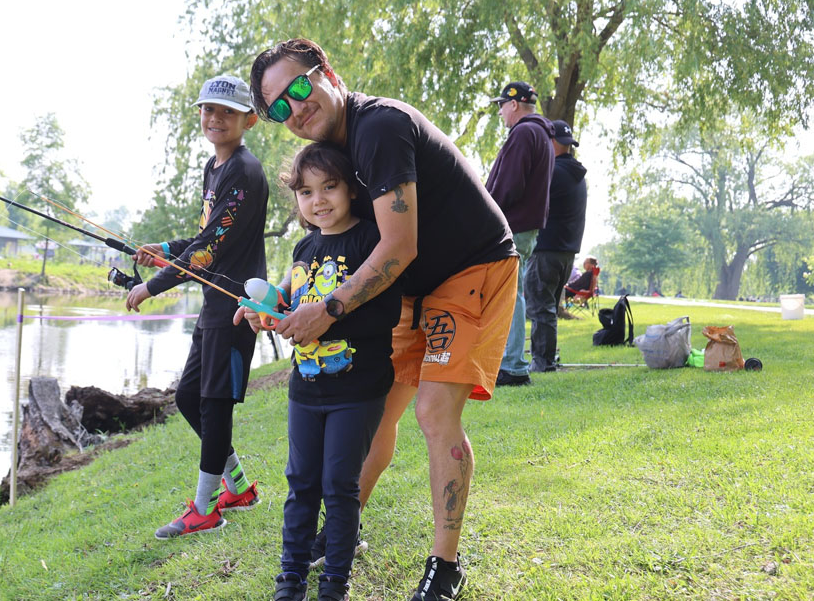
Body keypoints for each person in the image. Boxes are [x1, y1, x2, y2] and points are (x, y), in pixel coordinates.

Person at [251, 39, 518, 601]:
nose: (295, 109)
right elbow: (335, 245)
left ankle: (445, 566)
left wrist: (328, 310)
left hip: (471, 266)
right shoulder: (339, 151)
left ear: (328, 73)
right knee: (378, 408)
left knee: (432, 409)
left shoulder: (378, 128)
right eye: (278, 107)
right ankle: (344, 530)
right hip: (410, 287)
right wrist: (281, 297)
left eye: (299, 87)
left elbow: (396, 246)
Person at [241, 144, 401, 601]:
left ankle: (334, 583)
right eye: (306, 191)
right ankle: (289, 579)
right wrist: (265, 311)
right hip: (305, 389)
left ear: (351, 187)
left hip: (359, 388)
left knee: (339, 485)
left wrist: (325, 316)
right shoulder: (303, 246)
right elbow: (289, 302)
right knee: (301, 484)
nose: (318, 200)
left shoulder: (372, 239)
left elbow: (386, 313)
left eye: (329, 186)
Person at [126, 74, 270, 539]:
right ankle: (240, 487)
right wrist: (164, 247)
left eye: (226, 111)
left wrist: (153, 285)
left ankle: (206, 508)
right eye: (208, 110)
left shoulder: (245, 173)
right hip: (213, 305)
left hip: (234, 306)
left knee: (213, 403)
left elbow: (208, 251)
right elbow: (203, 238)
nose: (215, 118)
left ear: (248, 118)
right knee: (190, 397)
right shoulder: (216, 169)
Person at [485, 82, 554, 387]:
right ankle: (511, 362)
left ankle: (512, 365)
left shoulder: (524, 132)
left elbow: (509, 185)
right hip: (525, 226)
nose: (500, 111)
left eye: (501, 105)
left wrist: (485, 207)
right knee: (514, 294)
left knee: (509, 296)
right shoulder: (539, 133)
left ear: (513, 104)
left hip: (512, 224)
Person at [525, 120, 588, 373]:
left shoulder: (553, 172)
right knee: (547, 307)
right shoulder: (576, 175)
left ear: (551, 143)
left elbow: (528, 199)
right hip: (566, 251)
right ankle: (546, 358)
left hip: (547, 249)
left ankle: (542, 361)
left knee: (539, 306)